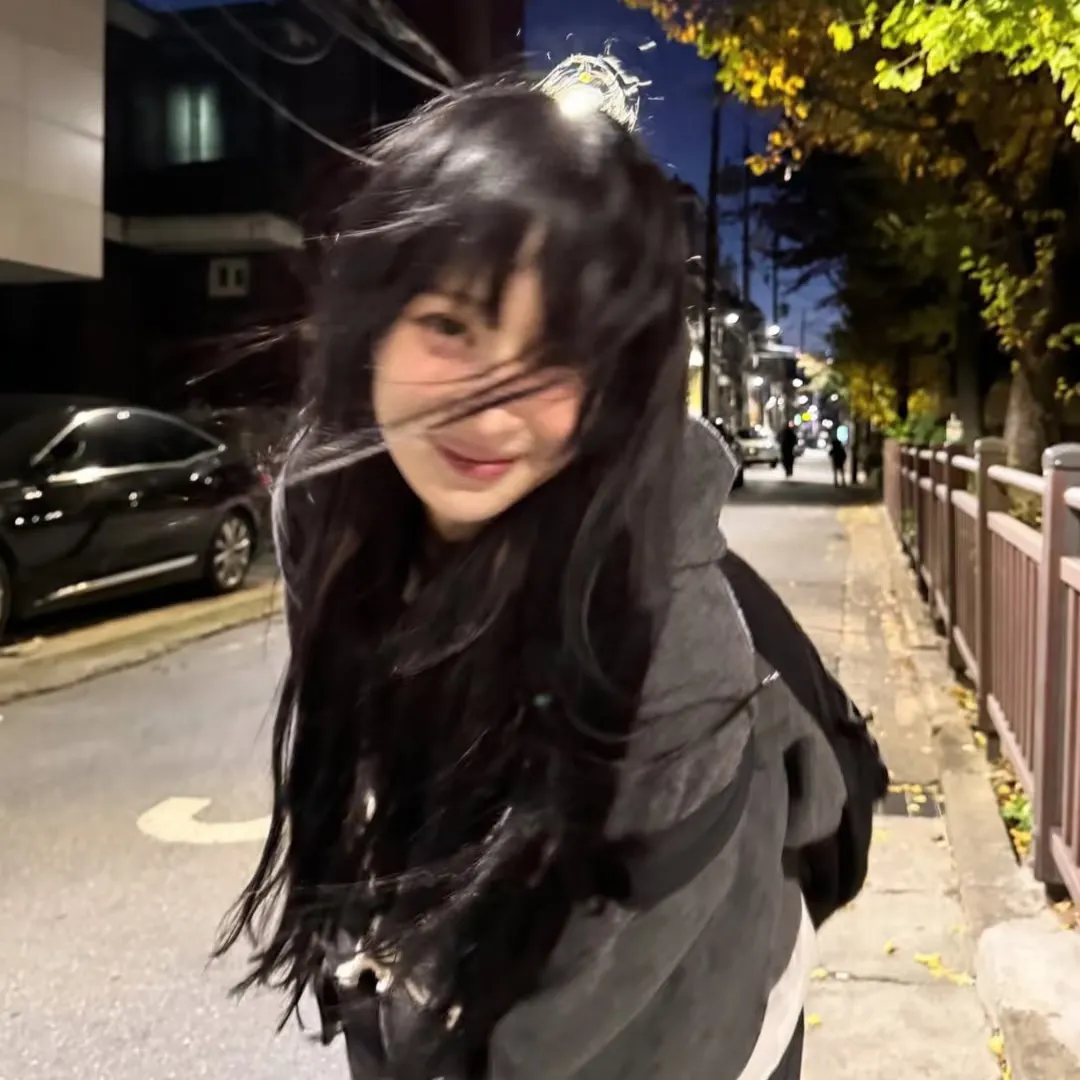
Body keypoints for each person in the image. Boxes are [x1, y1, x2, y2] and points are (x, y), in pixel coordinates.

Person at [215, 83, 846, 1080]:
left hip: (693, 1035)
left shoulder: (671, 654)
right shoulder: (334, 508)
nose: (488, 410)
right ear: (371, 323)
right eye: (451, 326)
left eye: (555, 357)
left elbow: (588, 1035)